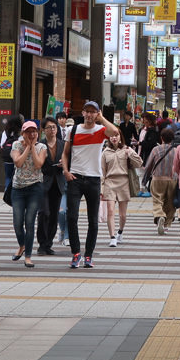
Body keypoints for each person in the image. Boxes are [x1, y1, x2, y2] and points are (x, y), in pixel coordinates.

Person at [62, 100, 120, 269]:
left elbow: (115, 131)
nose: (89, 114)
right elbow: (65, 153)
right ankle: (76, 253)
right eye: (86, 111)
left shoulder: (101, 130)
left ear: (97, 113)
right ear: (82, 113)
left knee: (93, 220)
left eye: (92, 112)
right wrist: (66, 171)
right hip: (75, 178)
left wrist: (102, 118)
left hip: (94, 179)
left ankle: (89, 255)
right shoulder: (73, 130)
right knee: (71, 217)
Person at [10, 120, 46, 268]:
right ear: (22, 133)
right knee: (17, 223)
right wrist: (28, 147)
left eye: (34, 131)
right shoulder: (16, 145)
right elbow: (18, 163)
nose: (31, 134)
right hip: (18, 188)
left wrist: (33, 147)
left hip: (35, 188)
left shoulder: (42, 147)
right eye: (28, 132)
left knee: (29, 222)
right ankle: (22, 245)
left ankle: (28, 256)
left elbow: (38, 164)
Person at [101, 131, 143, 246]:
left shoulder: (127, 149)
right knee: (110, 210)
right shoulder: (105, 152)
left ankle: (120, 232)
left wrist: (130, 154)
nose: (114, 138)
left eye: (116, 135)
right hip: (109, 182)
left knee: (122, 215)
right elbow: (102, 171)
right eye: (111, 136)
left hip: (123, 182)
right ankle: (112, 237)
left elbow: (139, 163)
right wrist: (102, 188)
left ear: (120, 137)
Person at [36, 117, 65, 254]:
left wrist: (64, 164)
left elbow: (69, 160)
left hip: (58, 183)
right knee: (44, 213)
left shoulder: (63, 144)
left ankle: (48, 244)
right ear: (44, 130)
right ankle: (42, 244)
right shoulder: (39, 145)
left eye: (54, 127)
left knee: (54, 215)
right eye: (49, 127)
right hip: (43, 182)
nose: (52, 130)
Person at [144, 127, 178, 234]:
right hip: (172, 179)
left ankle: (160, 216)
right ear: (172, 138)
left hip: (157, 179)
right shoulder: (176, 151)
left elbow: (148, 166)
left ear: (161, 138)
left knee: (157, 200)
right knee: (170, 203)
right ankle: (166, 225)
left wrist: (145, 180)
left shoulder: (156, 150)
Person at [0, 115, 23, 193]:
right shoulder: (21, 132)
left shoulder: (6, 132)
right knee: (17, 177)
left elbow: (2, 144)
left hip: (7, 159)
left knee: (8, 177)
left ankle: (7, 192)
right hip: (18, 158)